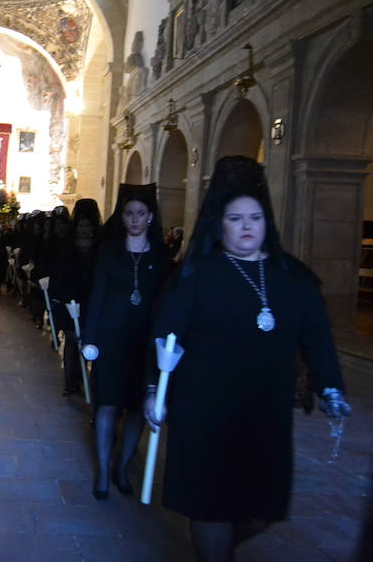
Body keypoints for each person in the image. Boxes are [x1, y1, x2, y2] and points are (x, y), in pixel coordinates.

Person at [144, 156, 351, 562]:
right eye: (235, 218)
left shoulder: (292, 277)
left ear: (266, 221)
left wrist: (330, 385)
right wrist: (154, 389)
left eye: (254, 217)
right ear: (219, 223)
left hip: (264, 413)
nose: (245, 227)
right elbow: (164, 337)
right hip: (203, 412)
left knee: (264, 507)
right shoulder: (195, 276)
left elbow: (317, 337)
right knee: (210, 504)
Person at [82, 184, 172, 500]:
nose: (135, 219)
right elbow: (98, 295)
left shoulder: (162, 257)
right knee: (107, 404)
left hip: (144, 343)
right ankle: (104, 471)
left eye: (141, 214)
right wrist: (89, 338)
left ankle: (122, 466)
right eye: (129, 213)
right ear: (122, 217)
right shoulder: (109, 252)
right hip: (111, 338)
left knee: (136, 408)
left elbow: (166, 304)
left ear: (150, 218)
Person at [50, 199, 101, 396]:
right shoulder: (68, 247)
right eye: (80, 225)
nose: (84, 229)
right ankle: (69, 381)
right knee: (71, 340)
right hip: (70, 300)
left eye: (87, 225)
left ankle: (80, 376)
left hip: (89, 300)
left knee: (86, 340)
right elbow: (60, 274)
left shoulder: (98, 249)